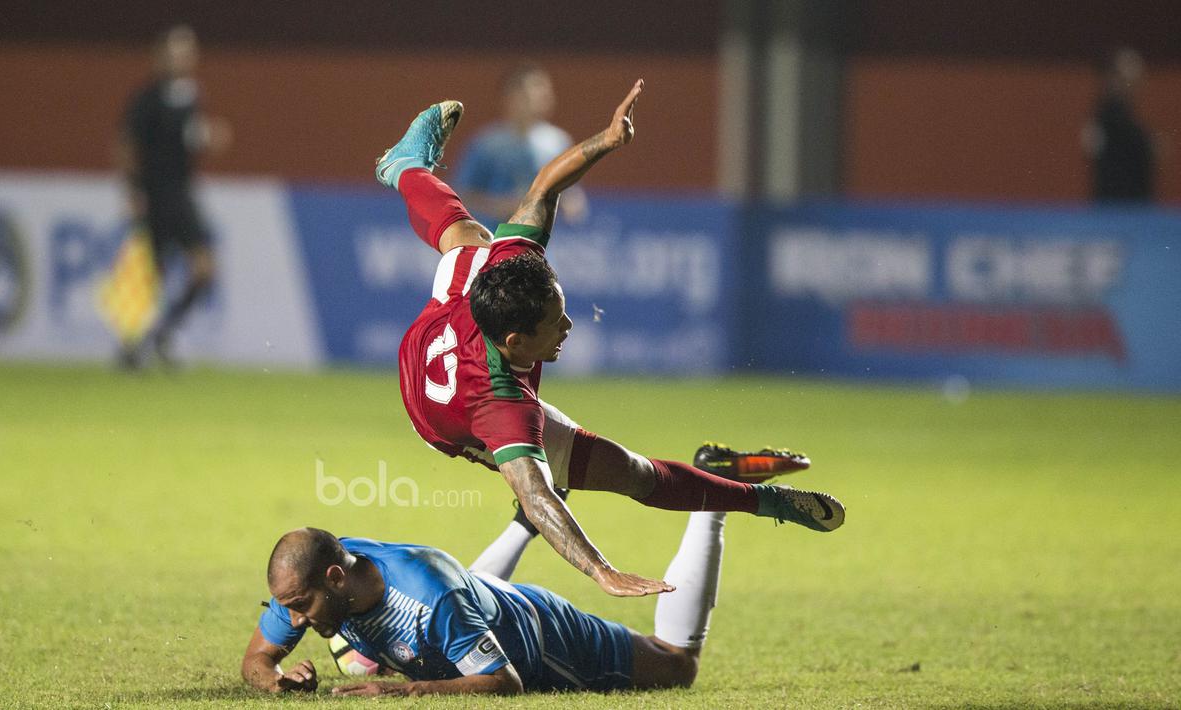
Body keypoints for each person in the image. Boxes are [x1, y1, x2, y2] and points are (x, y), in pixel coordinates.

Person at [373, 80, 844, 600]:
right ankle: (769, 503)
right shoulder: (504, 408)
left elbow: (544, 188)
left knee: (473, 241)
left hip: (447, 321)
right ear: (515, 341)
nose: (569, 327)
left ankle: (404, 167)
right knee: (633, 474)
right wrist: (603, 571)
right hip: (441, 414)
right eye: (555, 325)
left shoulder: (510, 267)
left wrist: (606, 140)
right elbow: (536, 496)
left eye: (563, 310)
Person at [241, 518, 728, 696]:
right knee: (435, 629)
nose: (296, 620)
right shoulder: (310, 580)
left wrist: (408, 693)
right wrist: (277, 680)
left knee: (676, 665)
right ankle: (524, 522)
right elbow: (256, 659)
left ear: (334, 578)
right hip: (472, 595)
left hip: (541, 635)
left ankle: (710, 496)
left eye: (301, 608)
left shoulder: (427, 595)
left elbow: (504, 681)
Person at [115, 24, 231, 368]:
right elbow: (125, 146)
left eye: (188, 51)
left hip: (183, 195)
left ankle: (164, 334)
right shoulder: (146, 98)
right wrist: (134, 190)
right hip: (155, 194)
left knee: (204, 269)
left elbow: (188, 138)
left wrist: (209, 137)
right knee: (154, 275)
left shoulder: (192, 95)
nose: (183, 58)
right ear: (161, 55)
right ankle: (134, 346)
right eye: (177, 51)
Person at [453, 64, 588, 229]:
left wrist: (569, 204)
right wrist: (500, 206)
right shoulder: (486, 145)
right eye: (536, 88)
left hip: (537, 245)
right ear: (512, 97)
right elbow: (461, 195)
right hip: (492, 241)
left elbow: (571, 194)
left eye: (546, 90)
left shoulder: (558, 142)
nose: (545, 96)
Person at [1083, 47, 1156, 203]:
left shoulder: (1119, 113)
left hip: (1130, 201)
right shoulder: (1108, 113)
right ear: (1114, 78)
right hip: (1118, 203)